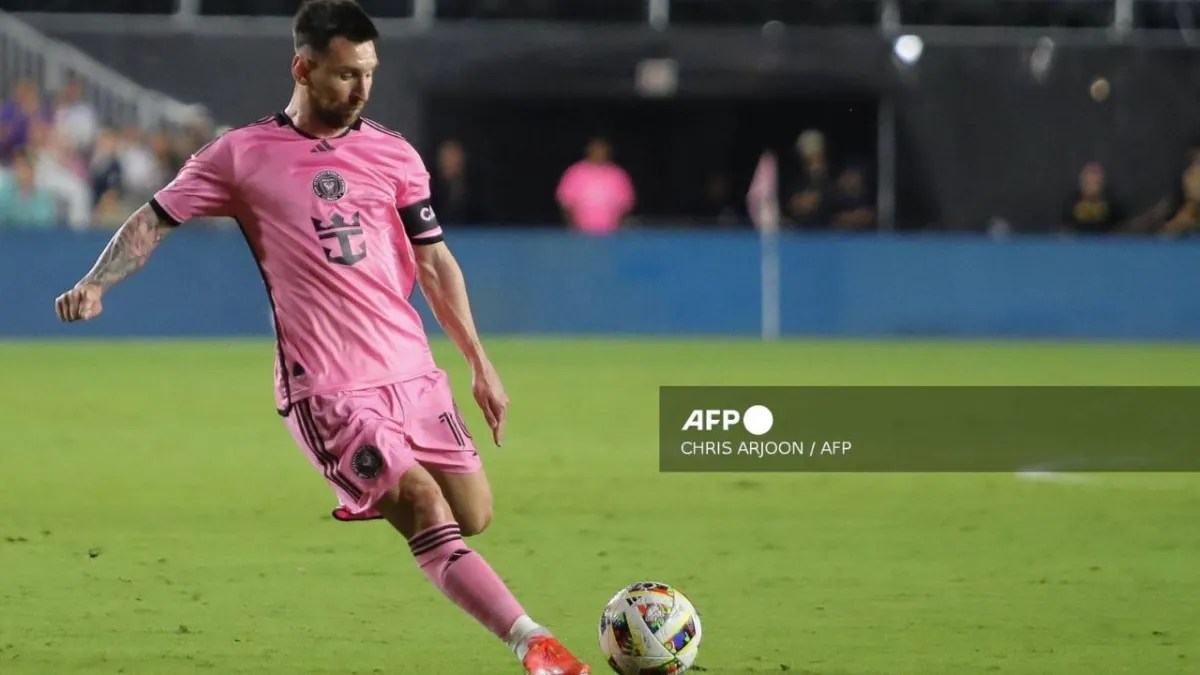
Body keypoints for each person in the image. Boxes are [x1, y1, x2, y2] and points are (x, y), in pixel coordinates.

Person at [52, 2, 591, 674]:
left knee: (472, 513)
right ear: (302, 68)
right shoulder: (240, 155)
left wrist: (480, 362)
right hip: (331, 389)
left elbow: (433, 262)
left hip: (413, 373)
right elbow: (153, 220)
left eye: (369, 74)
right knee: (423, 506)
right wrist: (97, 282)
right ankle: (533, 642)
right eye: (344, 75)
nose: (361, 89)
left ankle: (491, 597)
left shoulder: (393, 152)